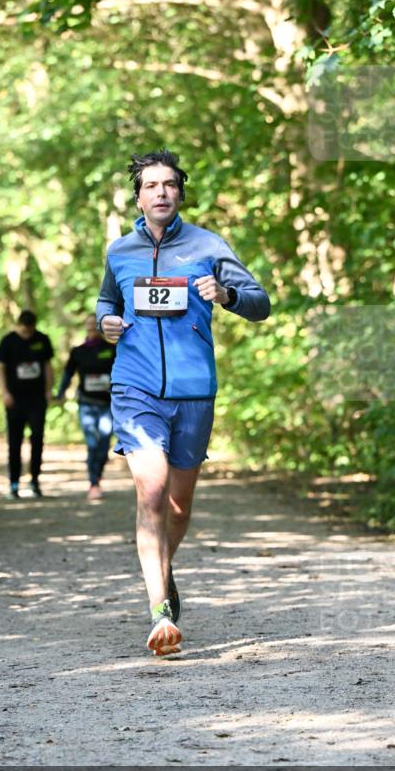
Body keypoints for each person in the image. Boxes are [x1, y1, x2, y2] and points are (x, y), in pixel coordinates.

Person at [96, 149, 270, 657]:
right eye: (151, 186)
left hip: (194, 391)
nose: (162, 192)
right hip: (135, 386)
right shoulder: (120, 251)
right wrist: (106, 323)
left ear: (180, 193)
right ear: (138, 197)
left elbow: (260, 303)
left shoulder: (208, 245)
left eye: (169, 184)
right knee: (151, 490)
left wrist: (227, 294)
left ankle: (163, 569)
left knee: (177, 505)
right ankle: (160, 612)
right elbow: (108, 302)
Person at [55, 314, 116, 501]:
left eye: (95, 324)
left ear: (100, 327)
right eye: (89, 325)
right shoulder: (78, 351)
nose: (92, 327)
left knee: (104, 443)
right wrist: (60, 393)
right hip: (87, 404)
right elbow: (68, 374)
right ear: (85, 327)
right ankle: (93, 483)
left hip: (107, 405)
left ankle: (98, 473)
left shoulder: (111, 349)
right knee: (92, 443)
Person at [0, 309, 54, 498]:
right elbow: (1, 369)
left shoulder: (42, 340)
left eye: (30, 331)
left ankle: (35, 480)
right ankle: (14, 483)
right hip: (15, 400)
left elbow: (48, 366)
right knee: (14, 442)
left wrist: (49, 390)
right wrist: (5, 392)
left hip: (37, 399)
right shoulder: (8, 341)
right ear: (18, 325)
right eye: (23, 330)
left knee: (37, 438)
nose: (27, 334)